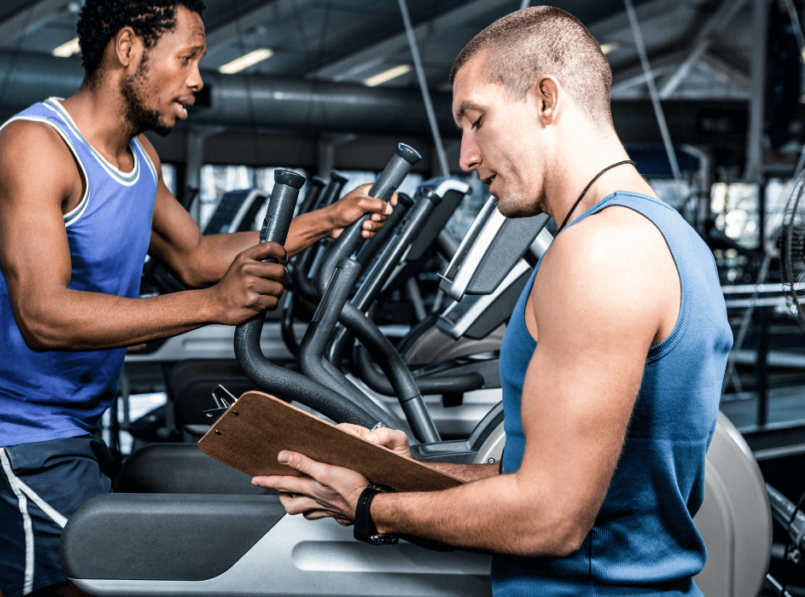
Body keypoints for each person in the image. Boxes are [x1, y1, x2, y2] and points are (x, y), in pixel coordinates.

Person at [253, 7, 733, 596]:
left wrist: (369, 505)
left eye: (476, 120)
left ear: (545, 100)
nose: (466, 156)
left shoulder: (600, 253)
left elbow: (549, 517)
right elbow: (542, 480)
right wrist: (404, 475)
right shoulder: (663, 237)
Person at [0, 1, 397, 596]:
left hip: (64, 426)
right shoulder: (36, 149)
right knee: (100, 578)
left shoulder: (140, 158)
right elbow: (43, 315)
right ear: (129, 48)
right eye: (188, 58)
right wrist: (211, 305)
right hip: (8, 433)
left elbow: (199, 255)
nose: (198, 80)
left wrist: (328, 220)